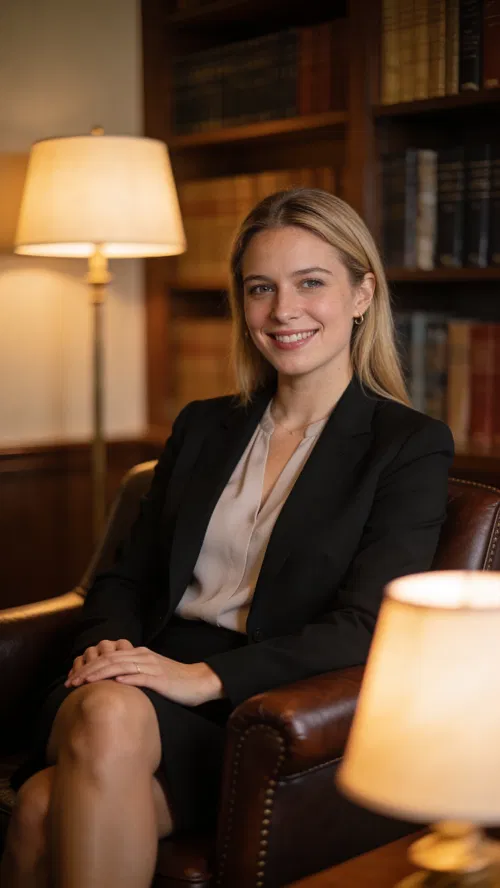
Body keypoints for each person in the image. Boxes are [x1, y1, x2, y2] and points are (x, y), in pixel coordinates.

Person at [1, 189, 454, 888]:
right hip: (140, 675)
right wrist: (112, 649)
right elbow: (126, 576)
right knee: (108, 710)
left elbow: (368, 625)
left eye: (311, 282)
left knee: (39, 807)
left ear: (363, 293)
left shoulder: (407, 445)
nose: (283, 310)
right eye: (260, 288)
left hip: (259, 708)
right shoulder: (203, 425)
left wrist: (203, 680)